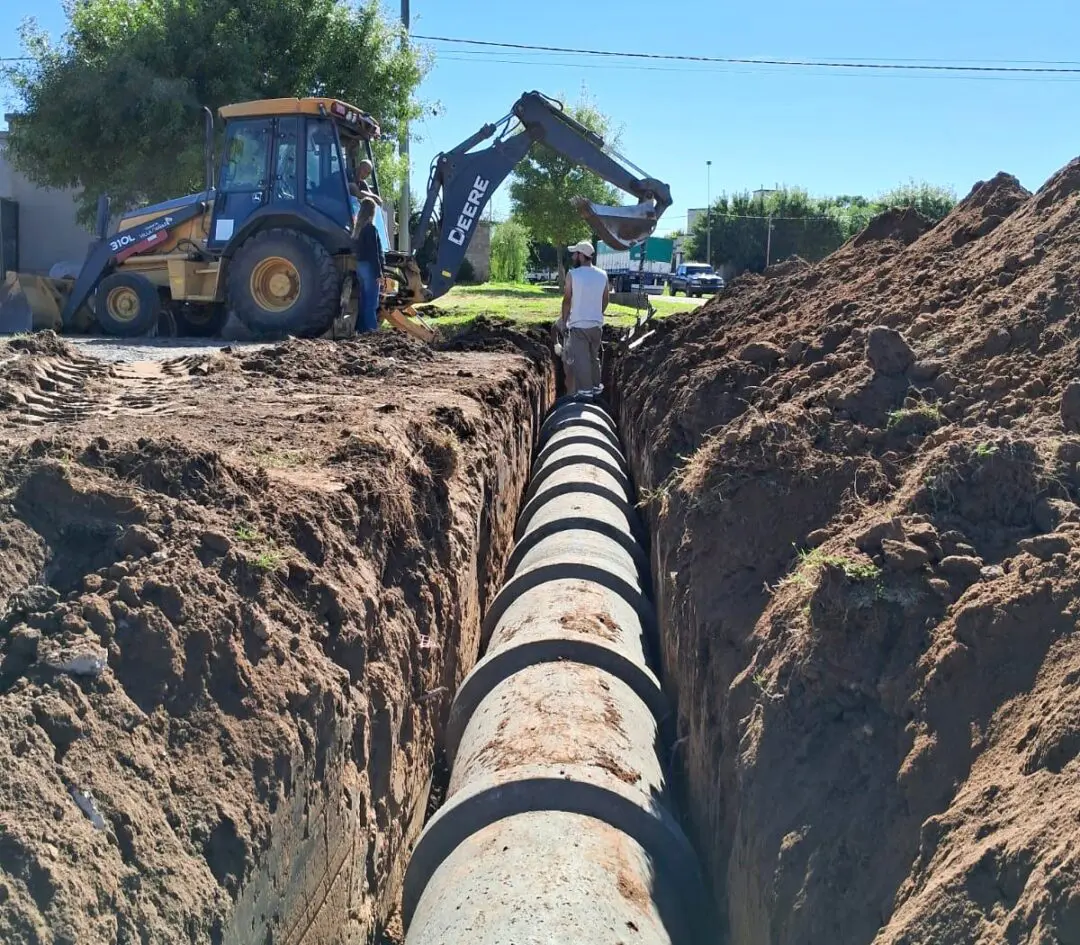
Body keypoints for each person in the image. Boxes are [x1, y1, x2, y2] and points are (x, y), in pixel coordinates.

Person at [556, 240, 609, 394]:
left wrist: (564, 320)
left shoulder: (573, 274)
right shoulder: (603, 275)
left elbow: (567, 300)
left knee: (581, 360)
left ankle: (585, 391)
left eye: (575, 254)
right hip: (596, 325)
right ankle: (596, 386)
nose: (573, 257)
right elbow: (606, 299)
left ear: (581, 255)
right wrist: (597, 313)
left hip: (579, 326)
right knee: (593, 357)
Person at [352, 198, 383, 334]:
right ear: (372, 212)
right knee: (371, 302)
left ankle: (361, 329)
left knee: (364, 300)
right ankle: (372, 331)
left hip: (360, 267)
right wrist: (378, 273)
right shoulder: (371, 229)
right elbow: (374, 253)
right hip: (370, 268)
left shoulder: (358, 230)